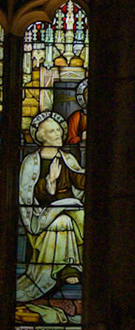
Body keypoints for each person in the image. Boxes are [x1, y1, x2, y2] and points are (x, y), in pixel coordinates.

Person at [15, 115, 83, 310]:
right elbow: (29, 197)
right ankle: (66, 269)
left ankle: (80, 264)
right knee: (62, 222)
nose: (59, 133)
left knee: (80, 217)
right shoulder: (31, 163)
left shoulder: (67, 158)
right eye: (52, 131)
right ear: (41, 136)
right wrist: (50, 183)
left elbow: (80, 182)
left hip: (70, 208)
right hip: (42, 219)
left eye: (59, 130)